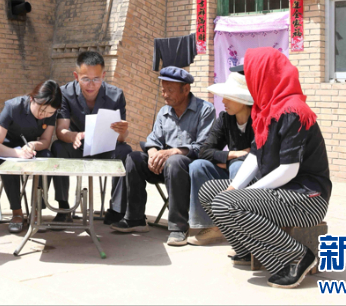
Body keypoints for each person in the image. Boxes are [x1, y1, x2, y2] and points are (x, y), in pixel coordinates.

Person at [198, 48, 332, 289]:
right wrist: (235, 187)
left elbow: (289, 170)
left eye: (251, 75)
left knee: (225, 203)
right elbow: (255, 156)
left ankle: (296, 256)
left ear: (265, 76)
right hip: (278, 193)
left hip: (306, 199)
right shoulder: (264, 110)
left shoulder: (293, 112)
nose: (248, 80)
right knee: (210, 192)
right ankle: (247, 250)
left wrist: (245, 194)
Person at [111, 66, 215, 246]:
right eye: (163, 89)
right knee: (134, 158)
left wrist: (174, 151)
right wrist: (152, 153)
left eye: (170, 90)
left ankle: (178, 227)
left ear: (186, 89)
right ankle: (135, 219)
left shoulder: (205, 110)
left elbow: (204, 147)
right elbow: (153, 140)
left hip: (188, 169)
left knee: (175, 161)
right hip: (163, 166)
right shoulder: (164, 112)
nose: (165, 94)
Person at [52, 51, 132, 226]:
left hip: (104, 147)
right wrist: (74, 136)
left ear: (103, 76)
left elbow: (121, 138)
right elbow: (61, 130)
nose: (91, 84)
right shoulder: (64, 93)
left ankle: (116, 210)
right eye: (85, 79)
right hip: (76, 146)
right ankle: (63, 207)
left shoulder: (116, 95)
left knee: (125, 151)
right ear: (76, 76)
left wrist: (122, 131)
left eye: (96, 79)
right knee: (57, 147)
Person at [187, 72, 254, 246]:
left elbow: (258, 156)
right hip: (229, 172)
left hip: (256, 180)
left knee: (238, 167)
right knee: (198, 166)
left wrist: (228, 161)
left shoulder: (258, 120)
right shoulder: (224, 118)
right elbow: (204, 151)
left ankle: (240, 231)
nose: (223, 101)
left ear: (242, 99)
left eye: (228, 97)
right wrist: (233, 154)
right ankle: (210, 226)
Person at [0, 80, 62, 233]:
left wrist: (33, 145)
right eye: (41, 110)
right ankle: (17, 213)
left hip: (28, 149)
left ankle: (36, 210)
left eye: (49, 113)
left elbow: (45, 141)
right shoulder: (13, 107)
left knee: (47, 157)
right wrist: (18, 153)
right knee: (9, 164)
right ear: (32, 99)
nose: (43, 115)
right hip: (4, 150)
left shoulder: (50, 113)